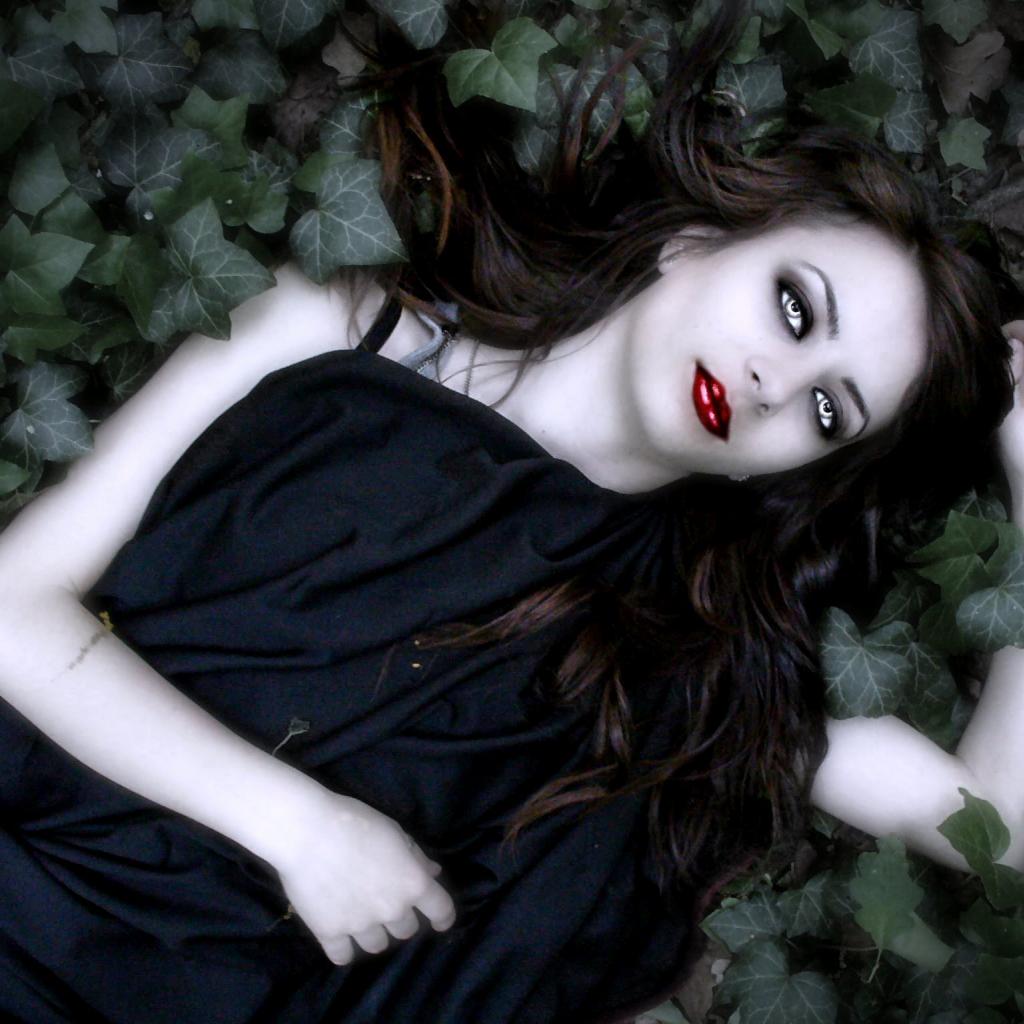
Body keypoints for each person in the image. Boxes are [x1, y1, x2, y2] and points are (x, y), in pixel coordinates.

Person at [0, 3, 1021, 1022]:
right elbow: (13, 605)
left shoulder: (688, 664)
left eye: (828, 410)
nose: (774, 384)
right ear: (697, 239)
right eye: (795, 308)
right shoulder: (343, 330)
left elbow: (1000, 827)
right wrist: (297, 827)